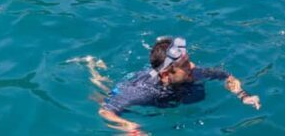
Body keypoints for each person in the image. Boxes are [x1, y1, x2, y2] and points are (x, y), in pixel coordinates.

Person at [98, 36, 260, 134]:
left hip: (173, 95)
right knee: (102, 93)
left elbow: (227, 76)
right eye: (185, 65)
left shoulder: (195, 73)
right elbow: (105, 110)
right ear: (165, 74)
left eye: (188, 61)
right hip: (130, 87)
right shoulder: (142, 91)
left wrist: (243, 96)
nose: (193, 66)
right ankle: (95, 71)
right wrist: (129, 126)